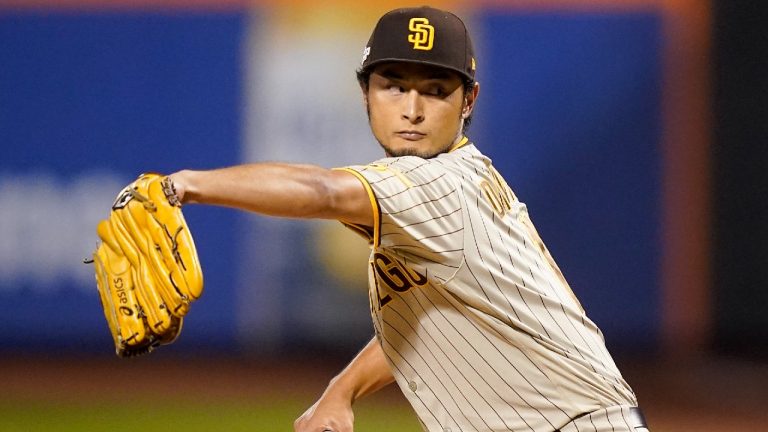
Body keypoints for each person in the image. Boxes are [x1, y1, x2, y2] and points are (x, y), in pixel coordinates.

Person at [168, 6, 649, 432]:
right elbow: (425, 319)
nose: (412, 110)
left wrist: (183, 185)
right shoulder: (454, 185)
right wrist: (342, 390)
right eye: (394, 86)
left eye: (436, 90)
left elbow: (323, 191)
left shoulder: (441, 186)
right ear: (366, 94)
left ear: (469, 101)